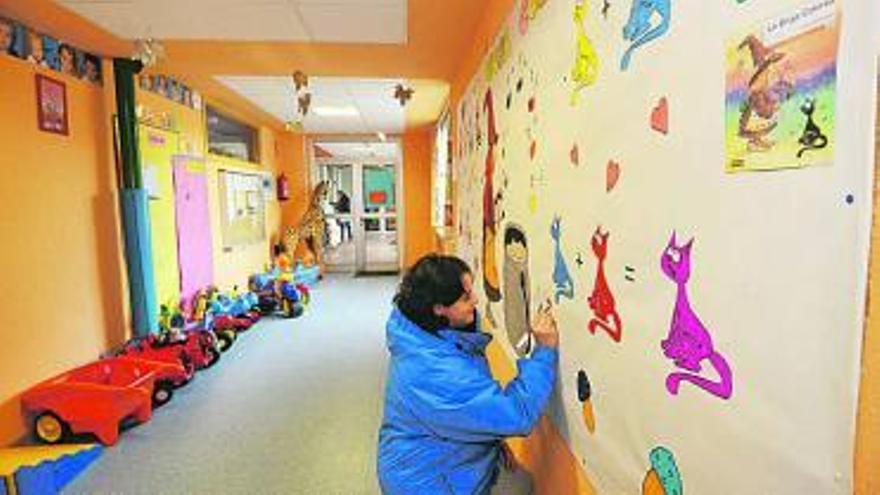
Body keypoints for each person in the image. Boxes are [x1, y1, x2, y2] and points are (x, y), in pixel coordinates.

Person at [377, 254, 559, 495]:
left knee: (520, 483)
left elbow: (461, 410)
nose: (475, 300)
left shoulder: (422, 332)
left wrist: (488, 435)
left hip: (436, 459)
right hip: (430, 482)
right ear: (439, 308)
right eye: (465, 298)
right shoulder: (439, 373)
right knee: (520, 486)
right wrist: (544, 351)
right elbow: (517, 415)